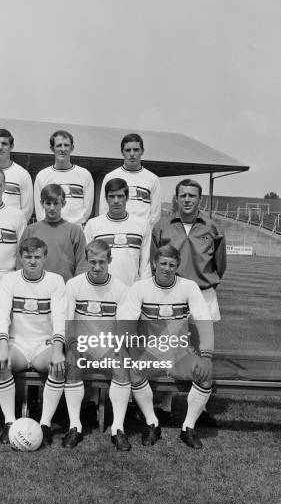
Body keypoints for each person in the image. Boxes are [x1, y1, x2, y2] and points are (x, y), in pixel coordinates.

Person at [117, 245, 214, 449]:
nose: (167, 268)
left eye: (172, 265)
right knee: (134, 372)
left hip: (180, 351)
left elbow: (204, 320)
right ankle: (152, 424)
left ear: (177, 266)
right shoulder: (140, 287)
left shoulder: (188, 286)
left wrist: (206, 356)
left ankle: (188, 428)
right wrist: (135, 351)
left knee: (206, 375)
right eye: (163, 263)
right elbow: (126, 322)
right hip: (151, 351)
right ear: (154, 264)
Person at [151, 179, 227, 422]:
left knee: (198, 349)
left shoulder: (212, 228)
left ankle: (200, 410)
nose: (187, 199)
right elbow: (155, 260)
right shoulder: (162, 226)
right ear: (176, 198)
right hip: (170, 296)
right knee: (169, 350)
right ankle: (164, 405)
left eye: (192, 195)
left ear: (199, 199)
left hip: (203, 295)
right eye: (182, 195)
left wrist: (202, 282)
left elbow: (220, 264)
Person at [0, 237, 66, 446]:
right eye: (28, 257)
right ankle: (9, 422)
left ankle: (44, 425)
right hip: (18, 344)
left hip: (43, 344)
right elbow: (1, 317)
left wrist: (57, 349)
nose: (32, 261)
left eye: (37, 257)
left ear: (45, 258)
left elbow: (59, 317)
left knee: (58, 366)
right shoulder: (9, 280)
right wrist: (3, 347)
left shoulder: (56, 281)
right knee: (1, 364)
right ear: (21, 258)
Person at [65, 240, 131, 450]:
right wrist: (70, 346)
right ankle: (75, 426)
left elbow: (123, 325)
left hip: (107, 346)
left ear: (110, 260)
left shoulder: (121, 288)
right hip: (82, 344)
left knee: (122, 367)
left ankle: (117, 429)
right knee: (72, 361)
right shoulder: (74, 285)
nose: (97, 267)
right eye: (92, 262)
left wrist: (120, 348)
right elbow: (68, 321)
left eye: (102, 262)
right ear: (86, 260)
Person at [84, 178, 150, 286]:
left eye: (120, 196)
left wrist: (144, 289)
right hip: (101, 290)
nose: (116, 201)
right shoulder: (93, 225)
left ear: (127, 198)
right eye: (111, 196)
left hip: (131, 289)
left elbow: (145, 263)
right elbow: (87, 261)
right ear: (106, 198)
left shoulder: (142, 225)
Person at [21, 183, 88, 282]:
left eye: (56, 203)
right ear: (42, 203)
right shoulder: (30, 231)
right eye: (48, 203)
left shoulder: (75, 231)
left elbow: (82, 264)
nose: (52, 208)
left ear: (63, 203)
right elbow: (21, 261)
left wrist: (76, 287)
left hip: (65, 287)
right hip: (35, 287)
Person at [98, 133, 161, 228]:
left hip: (141, 233)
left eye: (136, 150)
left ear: (142, 151)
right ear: (122, 152)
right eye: (128, 150)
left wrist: (145, 231)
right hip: (114, 230)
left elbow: (155, 214)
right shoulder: (110, 177)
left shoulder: (153, 179)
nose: (132, 154)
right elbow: (103, 209)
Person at [33, 130, 94, 225]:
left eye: (66, 145)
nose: (63, 149)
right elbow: (39, 209)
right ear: (52, 148)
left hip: (75, 229)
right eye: (58, 145)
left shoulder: (84, 175)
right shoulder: (42, 176)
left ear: (72, 148)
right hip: (50, 229)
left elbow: (87, 209)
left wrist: (72, 227)